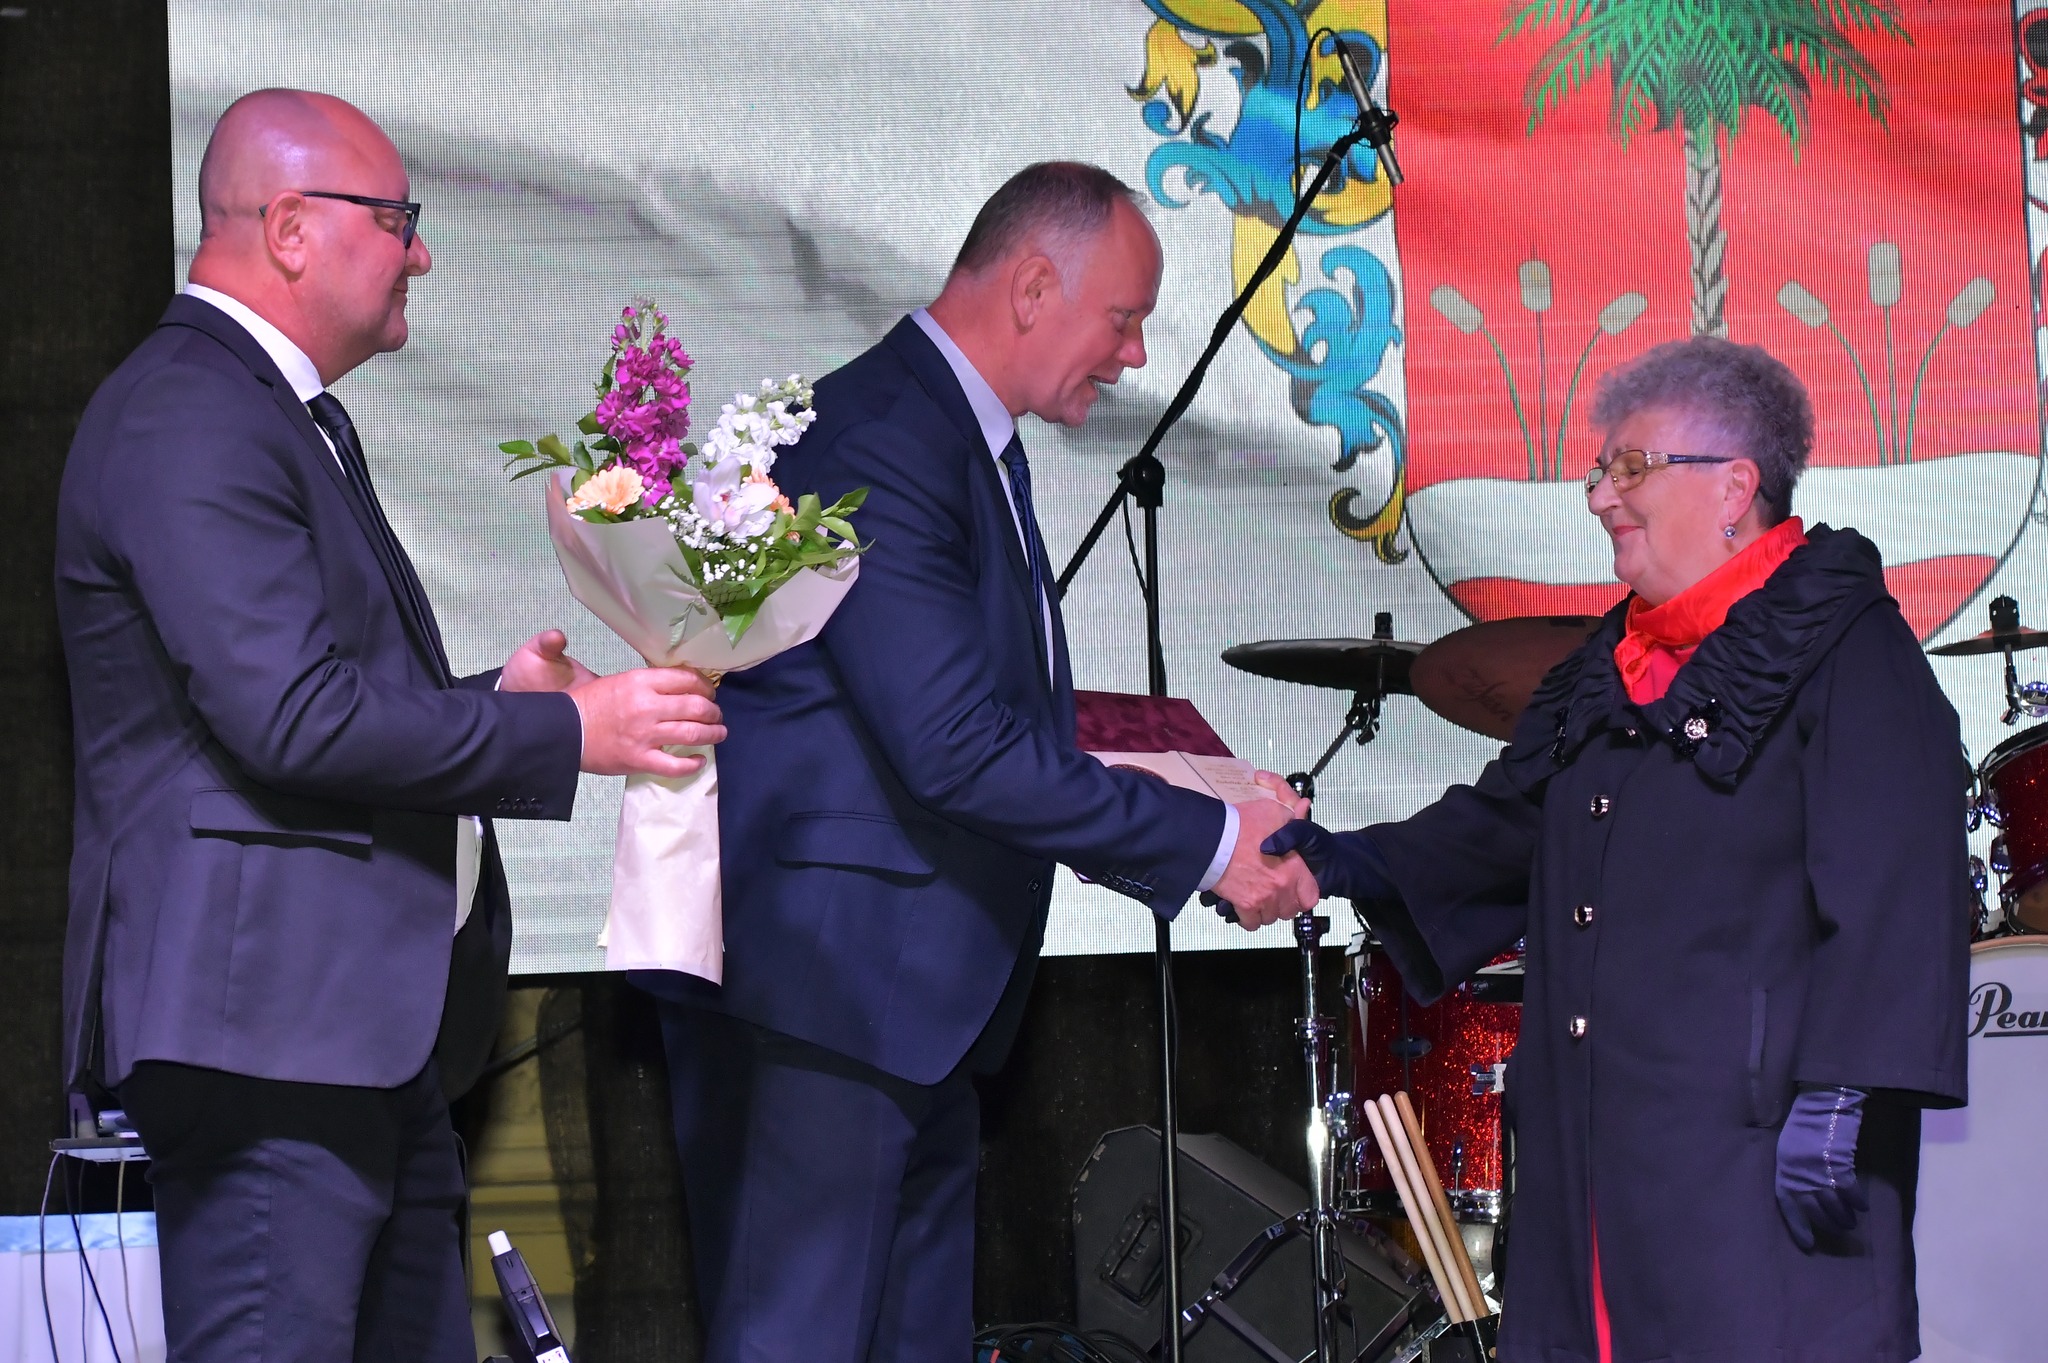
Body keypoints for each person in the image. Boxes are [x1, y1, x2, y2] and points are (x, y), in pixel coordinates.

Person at [54, 89, 725, 1363]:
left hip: (348, 1037)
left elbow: (297, 697)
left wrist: (495, 707)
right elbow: (291, 720)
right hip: (268, 1038)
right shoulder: (191, 408)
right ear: (291, 228)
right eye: (397, 219)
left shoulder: (274, 410)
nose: (420, 254)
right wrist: (567, 736)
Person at [649, 161, 1319, 1361]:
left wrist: (1193, 800)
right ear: (1032, 286)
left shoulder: (954, 436)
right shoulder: (884, 435)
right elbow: (954, 746)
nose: (1132, 356)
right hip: (831, 1005)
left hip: (913, 1007)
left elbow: (967, 726)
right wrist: (1210, 843)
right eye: (1122, 319)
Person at [1249, 337, 1971, 1362]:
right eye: (1599, 469)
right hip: (1590, 1160)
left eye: (1631, 466)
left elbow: (1900, 885)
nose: (1599, 496)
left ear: (1733, 487)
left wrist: (1844, 1089)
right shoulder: (1610, 663)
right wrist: (1342, 861)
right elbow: (1510, 824)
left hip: (1753, 1160)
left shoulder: (1844, 646)